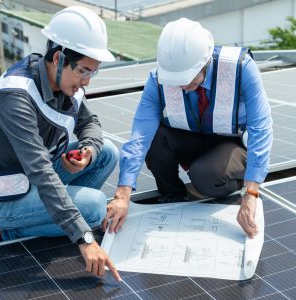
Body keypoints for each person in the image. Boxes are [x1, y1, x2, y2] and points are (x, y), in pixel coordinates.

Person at [0, 6, 121, 281]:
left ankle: (54, 218)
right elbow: (41, 172)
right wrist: (84, 237)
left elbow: (89, 121)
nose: (87, 82)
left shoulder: (64, 83)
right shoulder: (15, 98)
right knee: (94, 208)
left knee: (106, 153)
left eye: (92, 73)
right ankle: (5, 231)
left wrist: (88, 151)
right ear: (59, 58)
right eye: (83, 71)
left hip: (27, 181)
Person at [103, 18, 273, 239]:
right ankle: (173, 196)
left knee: (206, 178)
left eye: (188, 79)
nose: (182, 86)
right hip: (192, 137)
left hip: (230, 144)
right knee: (155, 138)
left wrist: (251, 192)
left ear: (205, 62)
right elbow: (140, 134)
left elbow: (261, 126)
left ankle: (226, 177)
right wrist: (122, 193)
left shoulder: (241, 69)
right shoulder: (158, 79)